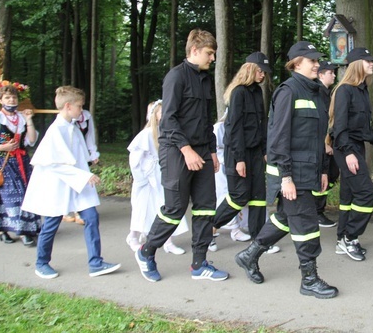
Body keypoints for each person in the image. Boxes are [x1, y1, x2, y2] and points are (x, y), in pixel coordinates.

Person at [235, 41, 338, 299]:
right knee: (305, 224)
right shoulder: (288, 91)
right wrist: (286, 178)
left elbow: (319, 138)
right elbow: (278, 138)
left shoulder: (318, 92)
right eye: (311, 60)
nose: (317, 64)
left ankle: (249, 255)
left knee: (284, 218)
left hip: (311, 171)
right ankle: (309, 280)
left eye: (317, 60)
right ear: (296, 63)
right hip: (293, 174)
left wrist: (324, 170)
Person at [135, 29, 227, 282]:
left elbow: (206, 118)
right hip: (176, 150)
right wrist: (186, 151)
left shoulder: (205, 79)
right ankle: (146, 251)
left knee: (206, 208)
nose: (213, 58)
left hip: (202, 151)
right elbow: (169, 120)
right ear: (194, 50)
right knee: (174, 208)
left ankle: (199, 264)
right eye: (209, 53)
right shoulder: (175, 77)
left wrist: (211, 151)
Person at [21, 86, 120, 279]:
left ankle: (95, 263)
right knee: (51, 223)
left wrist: (89, 164)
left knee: (91, 218)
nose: (82, 110)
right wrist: (84, 176)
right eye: (80, 106)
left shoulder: (72, 127)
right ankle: (41, 263)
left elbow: (78, 156)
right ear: (68, 106)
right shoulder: (55, 131)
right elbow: (54, 164)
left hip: (78, 186)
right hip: (58, 186)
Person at [212, 52, 279, 254]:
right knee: (239, 197)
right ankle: (209, 229)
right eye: (260, 71)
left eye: (264, 72)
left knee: (258, 196)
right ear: (249, 69)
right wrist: (240, 159)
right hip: (238, 154)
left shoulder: (257, 92)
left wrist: (265, 150)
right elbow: (233, 129)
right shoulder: (238, 92)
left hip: (256, 153)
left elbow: (262, 124)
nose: (262, 75)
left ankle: (260, 242)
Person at [329, 47, 373, 262]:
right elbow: (340, 127)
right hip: (346, 147)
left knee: (349, 196)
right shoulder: (345, 90)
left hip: (355, 146)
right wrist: (348, 153)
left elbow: (362, 126)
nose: (372, 63)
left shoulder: (362, 90)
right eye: (368, 60)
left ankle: (341, 238)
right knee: (366, 194)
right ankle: (350, 237)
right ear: (356, 64)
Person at [126, 100, 188, 255]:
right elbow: (135, 159)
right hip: (147, 179)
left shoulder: (167, 132)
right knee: (143, 209)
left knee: (165, 206)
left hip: (162, 176)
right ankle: (133, 236)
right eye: (162, 111)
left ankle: (167, 240)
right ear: (155, 115)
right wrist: (142, 177)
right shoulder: (146, 134)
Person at [0, 83, 41, 246]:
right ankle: (10, 230)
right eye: (7, 97)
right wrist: (1, 147)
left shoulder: (21, 117)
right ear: (1, 100)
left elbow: (32, 140)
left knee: (26, 194)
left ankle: (26, 227)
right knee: (9, 196)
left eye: (14, 97)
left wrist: (29, 120)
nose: (11, 100)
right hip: (2, 162)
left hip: (22, 161)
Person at [208, 110, 252, 253]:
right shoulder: (218, 127)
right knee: (225, 197)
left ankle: (235, 228)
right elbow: (215, 148)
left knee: (235, 196)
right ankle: (213, 232)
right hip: (221, 166)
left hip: (232, 165)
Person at [64, 109, 100, 225]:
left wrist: (92, 152)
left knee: (82, 181)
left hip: (81, 153)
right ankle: (66, 210)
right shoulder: (65, 120)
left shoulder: (86, 117)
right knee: (70, 182)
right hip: (69, 154)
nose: (80, 108)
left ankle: (78, 211)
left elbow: (90, 135)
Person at [315, 60, 339, 228]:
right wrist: (324, 143)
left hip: (330, 139)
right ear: (321, 74)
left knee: (332, 174)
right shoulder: (317, 92)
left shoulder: (328, 92)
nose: (334, 75)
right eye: (331, 72)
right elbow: (320, 121)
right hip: (322, 142)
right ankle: (316, 212)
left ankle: (318, 208)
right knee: (323, 175)